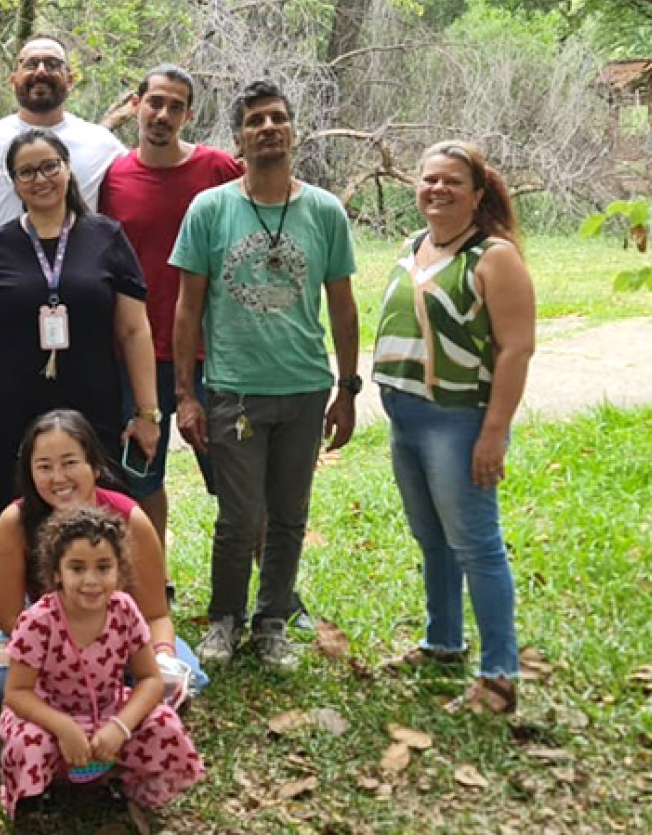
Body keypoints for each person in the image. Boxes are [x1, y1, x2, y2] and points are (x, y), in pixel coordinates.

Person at [170, 80, 360, 672]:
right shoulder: (211, 208)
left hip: (304, 387)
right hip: (236, 390)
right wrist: (185, 395)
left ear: (293, 132)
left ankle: (271, 621)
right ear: (239, 138)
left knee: (289, 514)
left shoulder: (324, 211)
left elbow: (344, 305)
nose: (269, 128)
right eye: (256, 121)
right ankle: (224, 619)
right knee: (238, 515)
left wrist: (348, 389)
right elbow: (187, 307)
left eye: (278, 118)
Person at [374, 142, 536, 714]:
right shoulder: (416, 246)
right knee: (433, 540)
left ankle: (499, 675)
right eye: (428, 180)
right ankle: (443, 642)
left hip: (458, 421)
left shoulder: (493, 257)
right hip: (406, 420)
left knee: (477, 545)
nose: (437, 189)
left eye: (452, 182)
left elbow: (516, 350)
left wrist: (494, 433)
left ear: (478, 192)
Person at [0, 129, 160, 536]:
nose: (40, 179)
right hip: (9, 406)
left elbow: (134, 331)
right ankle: (11, 584)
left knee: (92, 507)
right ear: (13, 183)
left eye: (49, 166)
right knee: (13, 507)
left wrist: (147, 413)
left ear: (67, 169)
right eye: (26, 172)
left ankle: (89, 589)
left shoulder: (107, 238)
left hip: (91, 400)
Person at [97, 65, 245, 540]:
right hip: (136, 355)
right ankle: (150, 584)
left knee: (236, 479)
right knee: (138, 480)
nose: (163, 114)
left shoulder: (218, 170)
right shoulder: (114, 177)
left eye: (175, 106)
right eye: (155, 102)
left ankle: (272, 595)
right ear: (136, 105)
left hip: (213, 355)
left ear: (189, 114)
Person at [0, 411, 206, 703]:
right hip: (46, 640)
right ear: (30, 473)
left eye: (70, 463)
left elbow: (156, 615)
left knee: (184, 678)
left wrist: (162, 656)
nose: (58, 478)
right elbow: (11, 619)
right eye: (44, 467)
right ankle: (103, 695)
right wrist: (69, 659)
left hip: (125, 638)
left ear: (94, 465)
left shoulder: (130, 518)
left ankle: (97, 695)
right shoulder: (15, 522)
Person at [0, 506, 204, 819]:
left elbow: (150, 679)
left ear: (119, 572)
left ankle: (123, 784)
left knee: (164, 724)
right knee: (28, 743)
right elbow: (17, 693)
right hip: (48, 715)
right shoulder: (38, 621)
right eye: (77, 568)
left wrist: (120, 727)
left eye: (103, 567)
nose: (91, 581)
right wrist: (64, 728)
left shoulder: (124, 610)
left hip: (109, 709)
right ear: (56, 573)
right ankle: (36, 802)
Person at [0, 35, 127, 229]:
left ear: (70, 80)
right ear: (13, 80)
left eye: (53, 64)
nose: (41, 72)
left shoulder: (102, 145)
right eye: (31, 64)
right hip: (2, 257)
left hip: (78, 257)